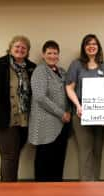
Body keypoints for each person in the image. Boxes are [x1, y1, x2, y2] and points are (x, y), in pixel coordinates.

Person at [0, 35, 36, 181]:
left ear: (27, 51)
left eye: (23, 47)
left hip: (24, 121)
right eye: (17, 46)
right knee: (9, 156)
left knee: (12, 155)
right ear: (10, 48)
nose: (20, 49)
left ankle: (7, 187)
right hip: (3, 118)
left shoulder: (31, 68)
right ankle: (9, 190)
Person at [66, 34, 104, 181]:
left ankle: (96, 185)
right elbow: (69, 88)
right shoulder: (76, 64)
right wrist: (78, 106)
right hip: (81, 115)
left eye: (94, 44)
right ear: (84, 48)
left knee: (97, 151)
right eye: (88, 44)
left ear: (98, 47)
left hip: (100, 117)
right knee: (85, 152)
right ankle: (85, 187)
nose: (91, 46)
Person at [28, 40, 71, 181]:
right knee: (44, 161)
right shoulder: (40, 70)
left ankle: (56, 190)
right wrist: (61, 113)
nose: (52, 56)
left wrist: (69, 112)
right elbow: (40, 97)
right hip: (45, 124)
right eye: (49, 53)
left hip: (62, 124)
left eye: (55, 53)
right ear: (43, 54)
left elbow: (68, 93)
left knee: (58, 160)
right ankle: (41, 190)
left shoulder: (62, 72)